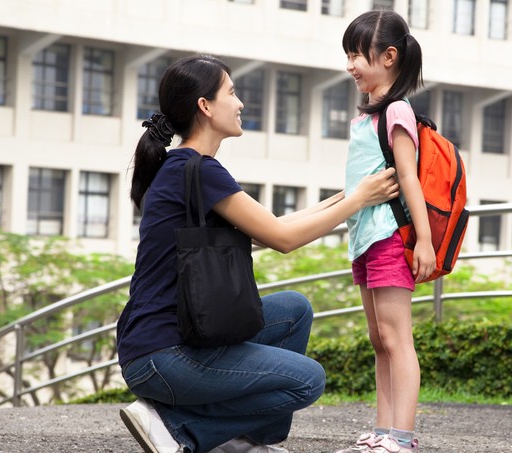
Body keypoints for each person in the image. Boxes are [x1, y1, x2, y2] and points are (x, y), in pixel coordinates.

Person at [116, 54, 400, 453]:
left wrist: (349, 197)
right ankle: (177, 428)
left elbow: (269, 229)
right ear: (205, 106)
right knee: (307, 380)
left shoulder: (191, 168)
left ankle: (248, 441)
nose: (240, 103)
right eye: (231, 93)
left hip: (167, 343)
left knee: (294, 310)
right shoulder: (196, 170)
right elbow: (283, 238)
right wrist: (357, 203)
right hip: (163, 354)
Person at [334, 10, 436, 453]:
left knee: (397, 339)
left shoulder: (396, 109)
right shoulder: (367, 115)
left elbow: (409, 177)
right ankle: (381, 431)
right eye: (349, 54)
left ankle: (402, 437)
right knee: (380, 339)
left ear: (389, 57)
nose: (351, 64)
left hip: (390, 238)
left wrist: (426, 240)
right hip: (365, 239)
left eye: (358, 54)